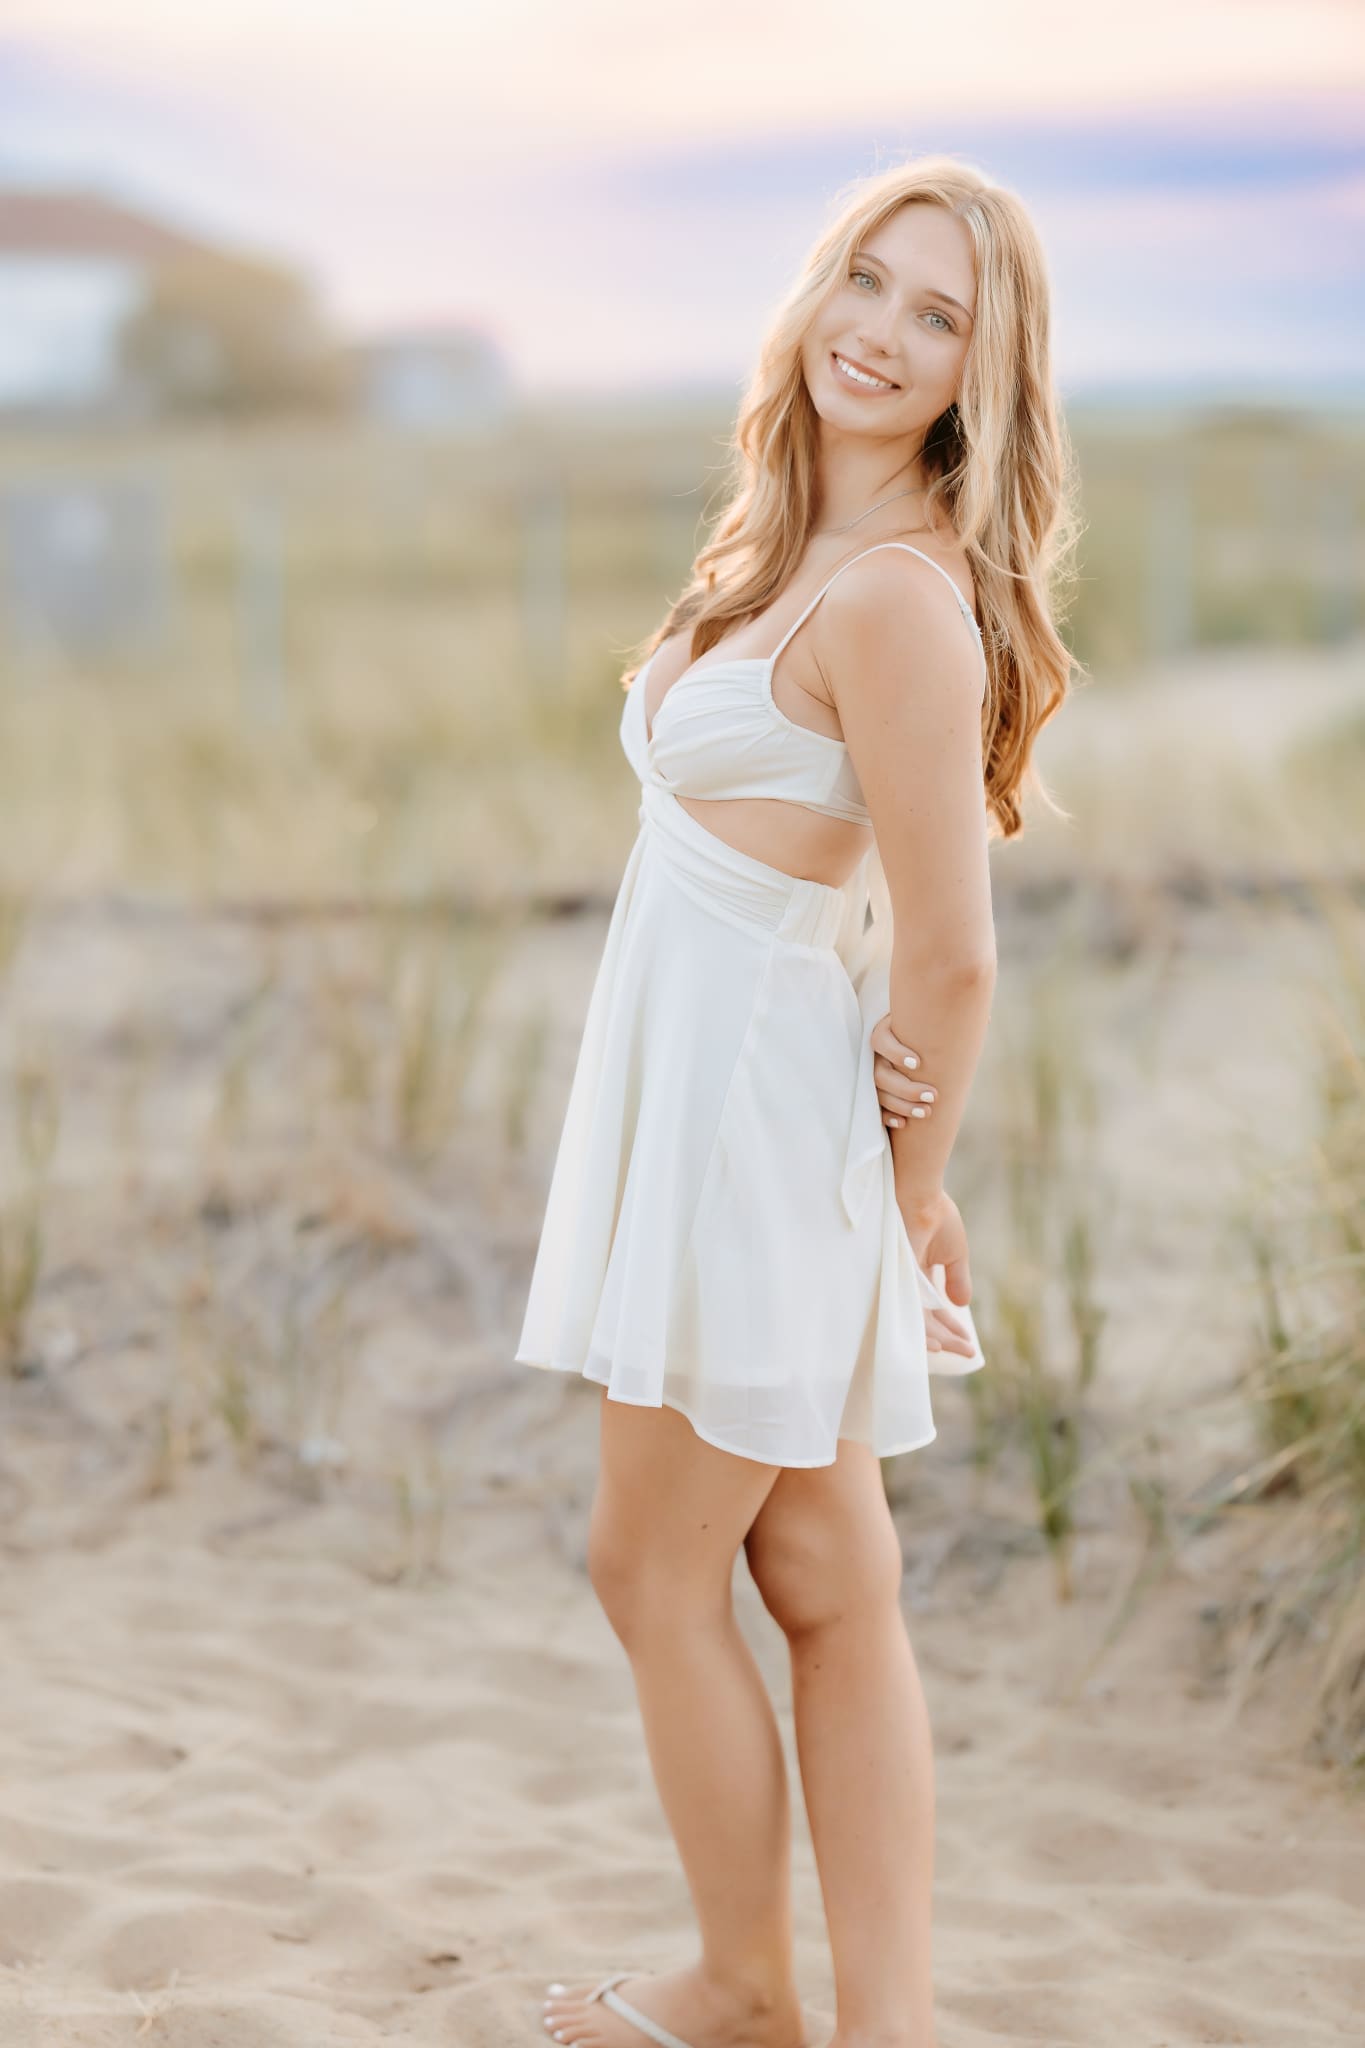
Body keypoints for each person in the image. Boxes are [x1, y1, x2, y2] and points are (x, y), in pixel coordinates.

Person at [514, 154, 1078, 2048]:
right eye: (870, 277)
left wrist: (901, 1193)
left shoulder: (906, 601)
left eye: (941, 318)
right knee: (824, 1569)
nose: (883, 331)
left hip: (761, 1132)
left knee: (645, 1566)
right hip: (720, 1096)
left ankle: (745, 1991)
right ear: (819, 280)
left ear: (978, 381)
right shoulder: (779, 549)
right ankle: (888, 2027)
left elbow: (953, 954)